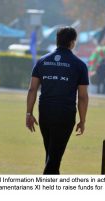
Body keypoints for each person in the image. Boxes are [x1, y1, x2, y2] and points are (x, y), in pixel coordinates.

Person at [26, 26, 89, 174]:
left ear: (57, 40)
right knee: (53, 160)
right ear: (73, 42)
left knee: (52, 156)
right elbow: (83, 96)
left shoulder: (42, 61)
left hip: (45, 113)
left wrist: (29, 113)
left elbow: (32, 89)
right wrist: (82, 120)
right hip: (65, 115)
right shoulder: (79, 65)